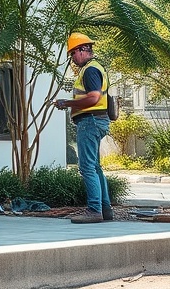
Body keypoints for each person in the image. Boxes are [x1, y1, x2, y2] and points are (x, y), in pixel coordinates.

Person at [55, 33, 113, 224]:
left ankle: (94, 209)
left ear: (82, 50)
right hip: (96, 121)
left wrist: (68, 103)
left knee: (87, 167)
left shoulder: (90, 70)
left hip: (90, 121)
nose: (73, 58)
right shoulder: (95, 68)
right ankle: (105, 209)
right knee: (95, 166)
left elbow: (94, 97)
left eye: (73, 54)